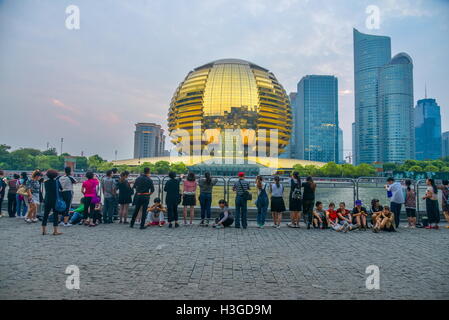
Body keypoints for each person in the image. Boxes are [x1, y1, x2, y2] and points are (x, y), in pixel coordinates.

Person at [41, 169, 62, 236]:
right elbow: (61, 189)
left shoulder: (45, 182)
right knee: (55, 215)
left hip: (47, 199)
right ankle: (55, 231)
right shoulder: (57, 182)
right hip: (55, 200)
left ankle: (44, 231)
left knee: (45, 215)